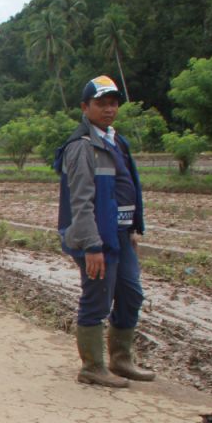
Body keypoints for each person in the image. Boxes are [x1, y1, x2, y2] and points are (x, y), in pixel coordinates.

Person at [55, 75, 154, 388]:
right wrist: (91, 246)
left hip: (120, 235)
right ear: (85, 107)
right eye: (101, 103)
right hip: (95, 238)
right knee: (98, 298)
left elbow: (125, 188)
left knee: (131, 293)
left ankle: (122, 359)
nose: (109, 109)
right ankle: (93, 366)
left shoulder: (116, 141)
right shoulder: (81, 147)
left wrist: (132, 229)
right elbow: (81, 201)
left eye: (113, 103)